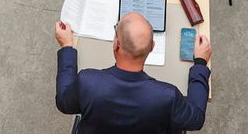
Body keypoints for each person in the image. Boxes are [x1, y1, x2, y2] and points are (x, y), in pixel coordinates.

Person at [55, 12, 211, 133]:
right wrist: (200, 63)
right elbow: (196, 119)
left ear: (116, 44)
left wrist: (67, 47)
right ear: (152, 47)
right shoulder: (167, 96)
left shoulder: (88, 81)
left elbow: (64, 103)